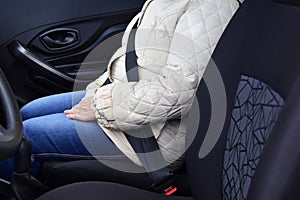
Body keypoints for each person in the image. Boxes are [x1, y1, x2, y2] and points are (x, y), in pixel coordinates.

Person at [0, 0, 239, 180]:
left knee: (27, 136)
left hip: (154, 138)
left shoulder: (212, 6)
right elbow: (135, 61)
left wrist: (101, 105)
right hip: (128, 101)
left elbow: (180, 91)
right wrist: (99, 92)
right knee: (27, 112)